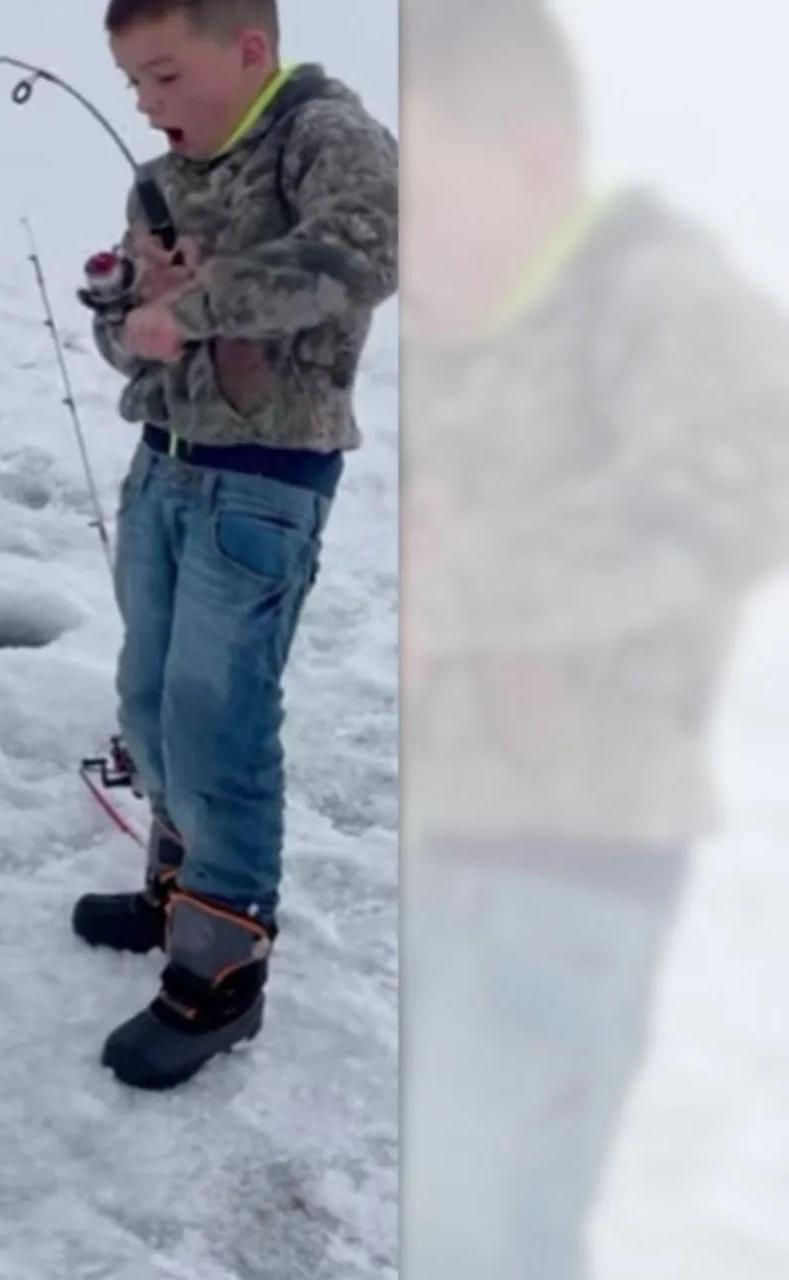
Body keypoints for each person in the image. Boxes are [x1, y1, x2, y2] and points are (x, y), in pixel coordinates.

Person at [398, 1, 789, 1274]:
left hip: (573, 867)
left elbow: (716, 517)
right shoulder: (489, 307)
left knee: (489, 1225)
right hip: (464, 832)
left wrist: (458, 586)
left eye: (429, 211)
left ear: (538, 163)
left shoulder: (669, 298)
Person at [70, 0, 398, 1091]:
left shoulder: (323, 132)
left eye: (167, 76)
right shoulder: (160, 181)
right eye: (135, 86)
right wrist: (129, 311)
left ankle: (220, 970)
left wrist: (195, 304)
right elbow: (134, 347)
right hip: (163, 466)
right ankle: (179, 882)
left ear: (248, 51)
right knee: (151, 698)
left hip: (264, 483)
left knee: (219, 717)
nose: (151, 106)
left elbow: (362, 250)